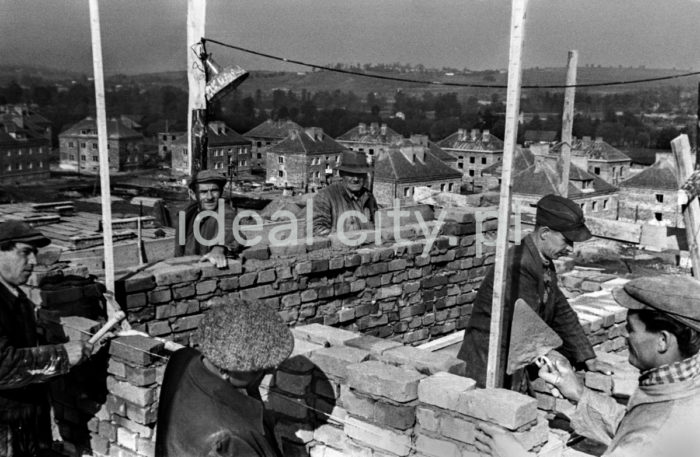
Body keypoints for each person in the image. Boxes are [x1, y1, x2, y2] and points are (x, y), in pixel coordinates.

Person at [474, 274, 700, 457]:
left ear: (663, 340)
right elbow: (630, 426)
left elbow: (643, 438)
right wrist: (580, 394)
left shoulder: (656, 437)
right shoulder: (682, 385)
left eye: (631, 328)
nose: (625, 335)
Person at [456, 194, 612, 390]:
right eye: (566, 240)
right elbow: (527, 324)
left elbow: (560, 310)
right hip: (489, 365)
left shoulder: (542, 261)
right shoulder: (519, 264)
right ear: (545, 232)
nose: (570, 249)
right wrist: (558, 360)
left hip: (514, 358)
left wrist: (588, 357)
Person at [155, 299, 294, 457]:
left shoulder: (182, 359)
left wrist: (251, 384)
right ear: (225, 370)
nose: (270, 371)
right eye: (258, 369)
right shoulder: (230, 441)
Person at [0, 220, 92, 456]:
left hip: (27, 421)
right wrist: (61, 356)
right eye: (25, 252)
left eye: (35, 253)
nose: (33, 261)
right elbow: (2, 365)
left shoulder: (16, 296)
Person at [174, 170, 240, 268]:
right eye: (203, 192)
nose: (209, 197)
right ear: (193, 194)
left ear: (221, 192)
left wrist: (219, 247)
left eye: (214, 191)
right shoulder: (187, 214)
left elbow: (229, 228)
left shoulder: (226, 212)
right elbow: (179, 251)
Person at [312, 149, 378, 236]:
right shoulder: (325, 196)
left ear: (365, 176)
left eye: (360, 174)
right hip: (340, 248)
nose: (355, 179)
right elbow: (317, 230)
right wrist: (347, 240)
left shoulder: (368, 196)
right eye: (351, 174)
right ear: (342, 174)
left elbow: (377, 224)